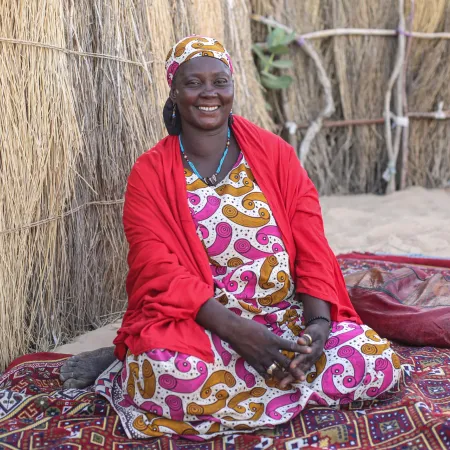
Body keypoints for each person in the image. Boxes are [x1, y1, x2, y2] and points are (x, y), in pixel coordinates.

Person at [60, 35, 402, 440]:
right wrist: (240, 333)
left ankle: (271, 381)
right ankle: (132, 362)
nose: (209, 94)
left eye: (220, 81)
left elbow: (312, 244)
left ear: (232, 87)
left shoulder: (275, 155)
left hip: (284, 315)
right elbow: (158, 269)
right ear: (174, 90)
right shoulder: (149, 174)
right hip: (206, 324)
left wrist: (317, 328)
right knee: (166, 375)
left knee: (374, 359)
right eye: (194, 82)